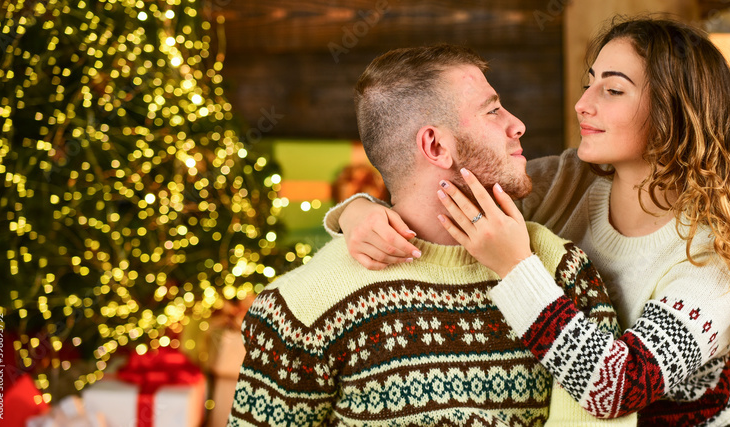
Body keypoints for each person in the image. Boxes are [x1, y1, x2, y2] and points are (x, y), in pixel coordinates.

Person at [329, 18, 730, 426]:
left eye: (612, 90)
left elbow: (618, 388)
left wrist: (516, 268)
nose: (582, 104)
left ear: (674, 113)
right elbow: (437, 199)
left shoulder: (714, 253)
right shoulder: (567, 180)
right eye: (588, 83)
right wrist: (358, 211)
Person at [227, 44, 634, 426]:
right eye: (493, 111)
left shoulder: (563, 272)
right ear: (436, 146)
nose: (517, 124)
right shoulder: (302, 308)